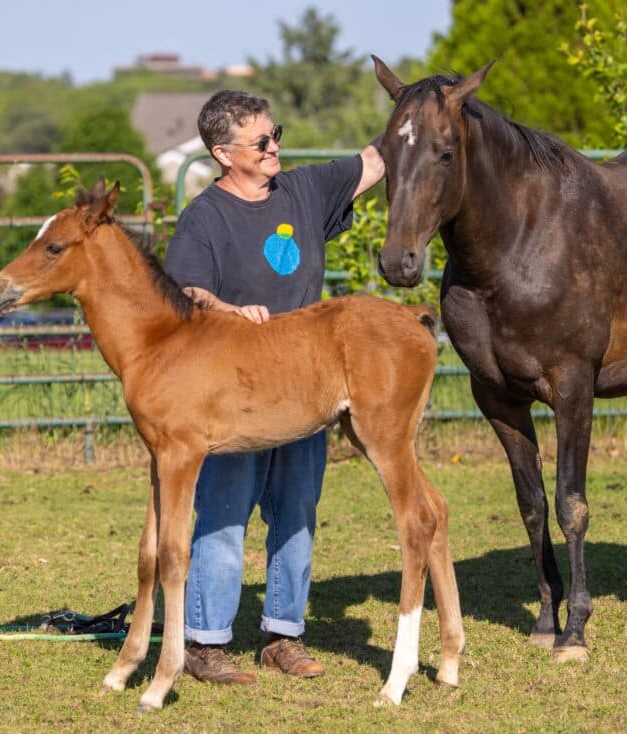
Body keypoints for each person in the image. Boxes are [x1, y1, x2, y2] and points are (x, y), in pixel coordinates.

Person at [163, 90, 385, 685]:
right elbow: (186, 294)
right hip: (234, 393)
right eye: (260, 141)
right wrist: (230, 310)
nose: (274, 147)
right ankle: (205, 642)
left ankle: (283, 636)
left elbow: (375, 161)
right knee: (224, 514)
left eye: (275, 134)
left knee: (297, 512)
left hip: (302, 391)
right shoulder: (203, 219)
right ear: (222, 153)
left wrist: (426, 104)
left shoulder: (303, 191)